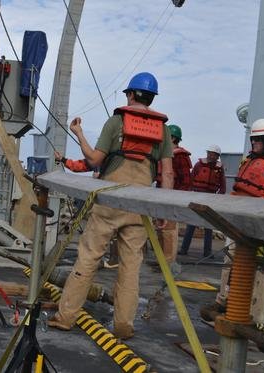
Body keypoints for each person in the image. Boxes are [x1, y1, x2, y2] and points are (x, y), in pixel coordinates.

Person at [47, 72, 174, 340]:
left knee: (89, 257)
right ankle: (123, 326)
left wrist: (79, 133)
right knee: (130, 267)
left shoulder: (117, 121)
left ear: (130, 94)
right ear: (151, 98)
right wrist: (165, 211)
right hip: (140, 205)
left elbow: (93, 161)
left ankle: (66, 316)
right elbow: (168, 173)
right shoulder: (162, 130)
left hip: (109, 202)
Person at [201, 118, 264, 319]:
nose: (254, 144)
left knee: (259, 272)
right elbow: (237, 192)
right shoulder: (250, 160)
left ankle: (255, 313)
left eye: (258, 140)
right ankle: (225, 301)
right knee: (230, 265)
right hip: (238, 222)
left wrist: (258, 223)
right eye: (253, 140)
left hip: (259, 228)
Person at [179, 145, 226, 257]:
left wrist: (218, 198)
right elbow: (190, 180)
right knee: (191, 225)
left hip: (210, 198)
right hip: (197, 197)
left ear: (217, 156)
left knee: (208, 227)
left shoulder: (219, 169)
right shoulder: (198, 165)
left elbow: (223, 186)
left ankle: (207, 253)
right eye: (210, 153)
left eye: (214, 154)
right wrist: (189, 195)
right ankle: (184, 250)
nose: (211, 155)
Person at [155, 124, 192, 265]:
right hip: (160, 197)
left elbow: (186, 181)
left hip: (171, 199)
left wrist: (177, 199)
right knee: (160, 229)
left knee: (169, 231)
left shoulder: (180, 156)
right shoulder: (164, 154)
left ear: (173, 138)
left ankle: (168, 262)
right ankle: (161, 260)